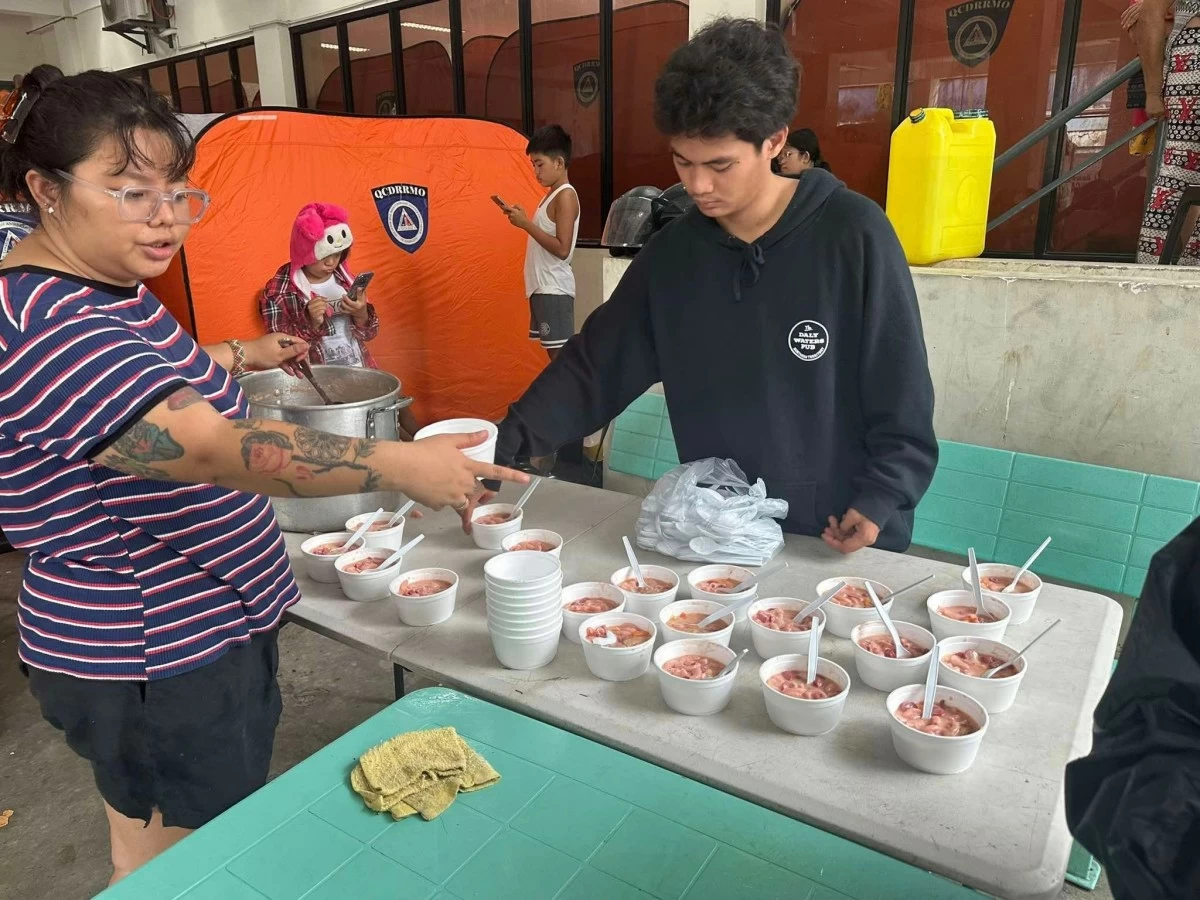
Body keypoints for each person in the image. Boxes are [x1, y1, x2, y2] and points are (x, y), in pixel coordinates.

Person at [0, 67, 525, 885]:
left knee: (161, 844)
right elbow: (211, 447)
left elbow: (137, 390)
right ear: (46, 189)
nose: (165, 218)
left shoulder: (96, 289)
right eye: (131, 191)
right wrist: (396, 460)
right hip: (152, 658)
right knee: (188, 864)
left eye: (177, 192)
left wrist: (235, 355)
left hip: (185, 640)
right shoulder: (55, 324)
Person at [468, 18, 937, 555]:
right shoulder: (674, 255)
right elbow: (593, 369)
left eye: (719, 165)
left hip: (837, 532)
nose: (697, 185)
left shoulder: (853, 234)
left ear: (775, 140)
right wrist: (499, 448)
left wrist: (884, 496)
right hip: (716, 532)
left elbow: (900, 388)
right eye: (682, 161)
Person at [260, 202, 421, 439]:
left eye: (338, 254)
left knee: (399, 405)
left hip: (361, 367)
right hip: (325, 384)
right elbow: (280, 348)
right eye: (324, 255)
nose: (331, 262)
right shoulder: (278, 290)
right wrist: (311, 323)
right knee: (387, 432)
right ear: (305, 250)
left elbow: (369, 333)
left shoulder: (343, 278)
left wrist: (361, 313)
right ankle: (415, 456)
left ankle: (431, 444)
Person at [1125, 0, 1200, 262]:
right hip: (1193, 56)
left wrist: (1154, 92)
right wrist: (1153, 92)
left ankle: (1160, 269)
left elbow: (1150, 13)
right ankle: (1163, 270)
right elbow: (1150, 14)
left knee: (1178, 173)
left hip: (1190, 56)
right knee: (1178, 174)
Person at [500, 124, 580, 362]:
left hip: (553, 288)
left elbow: (563, 249)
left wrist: (526, 224)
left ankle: (572, 400)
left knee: (561, 359)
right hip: (542, 288)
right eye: (533, 165)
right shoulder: (551, 196)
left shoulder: (565, 195)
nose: (536, 172)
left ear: (559, 162)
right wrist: (525, 219)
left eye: (539, 164)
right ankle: (565, 398)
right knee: (555, 356)